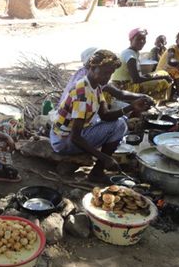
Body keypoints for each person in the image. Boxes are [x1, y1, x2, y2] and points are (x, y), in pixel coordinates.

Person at [50, 50, 152, 182]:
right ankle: (97, 172)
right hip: (63, 141)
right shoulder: (82, 93)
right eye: (104, 72)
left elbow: (105, 116)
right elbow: (75, 137)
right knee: (119, 125)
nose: (107, 77)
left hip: (67, 136)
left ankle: (97, 170)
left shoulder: (96, 86)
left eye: (110, 73)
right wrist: (104, 158)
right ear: (92, 68)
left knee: (120, 123)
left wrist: (132, 107)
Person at [62, 47, 154, 109]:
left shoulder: (88, 74)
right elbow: (119, 94)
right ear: (93, 64)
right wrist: (143, 96)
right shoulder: (88, 81)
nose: (108, 76)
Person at [110, 28, 173, 103]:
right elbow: (136, 79)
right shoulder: (130, 55)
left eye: (144, 39)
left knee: (163, 72)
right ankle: (150, 101)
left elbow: (138, 76)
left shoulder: (133, 52)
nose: (142, 41)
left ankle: (152, 101)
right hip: (123, 87)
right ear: (131, 40)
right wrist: (162, 77)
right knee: (163, 81)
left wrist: (160, 75)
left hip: (127, 83)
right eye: (138, 39)